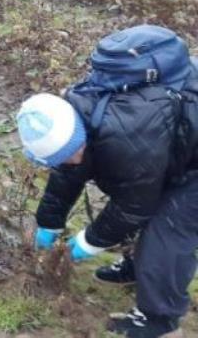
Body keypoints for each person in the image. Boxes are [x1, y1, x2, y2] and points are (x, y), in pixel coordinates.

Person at [17, 25, 198, 338]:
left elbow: (134, 206)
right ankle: (137, 270)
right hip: (173, 140)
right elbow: (69, 171)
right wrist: (49, 223)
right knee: (145, 199)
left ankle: (159, 320)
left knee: (166, 228)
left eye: (66, 155)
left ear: (78, 140)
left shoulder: (125, 140)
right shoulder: (77, 115)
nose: (65, 164)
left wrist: (87, 242)